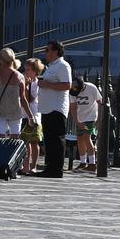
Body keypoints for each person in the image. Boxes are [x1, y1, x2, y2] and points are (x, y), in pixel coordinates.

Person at [37, 40, 72, 178]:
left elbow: (67, 85)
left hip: (56, 108)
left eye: (47, 50)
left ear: (56, 51)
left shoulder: (63, 66)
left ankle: (56, 169)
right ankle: (49, 167)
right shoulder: (51, 67)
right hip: (47, 108)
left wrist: (47, 85)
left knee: (57, 140)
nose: (45, 52)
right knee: (49, 140)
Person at [0, 47, 33, 140]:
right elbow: (23, 98)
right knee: (14, 142)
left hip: (0, 111)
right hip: (15, 112)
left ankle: (0, 155)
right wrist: (30, 117)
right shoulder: (19, 77)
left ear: (1, 60)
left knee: (0, 141)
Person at [69, 77, 102, 171]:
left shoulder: (91, 88)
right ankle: (83, 162)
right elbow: (73, 107)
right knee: (79, 138)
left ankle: (92, 163)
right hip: (80, 117)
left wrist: (99, 119)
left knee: (86, 137)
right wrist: (76, 121)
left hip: (91, 116)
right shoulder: (72, 91)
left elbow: (100, 102)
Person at [20, 58, 45, 175]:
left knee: (34, 142)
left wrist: (26, 86)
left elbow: (30, 98)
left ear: (35, 71)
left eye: (29, 70)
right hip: (23, 114)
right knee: (24, 141)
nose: (26, 72)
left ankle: (33, 165)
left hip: (34, 114)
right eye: (25, 69)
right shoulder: (24, 81)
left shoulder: (36, 84)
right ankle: (25, 165)